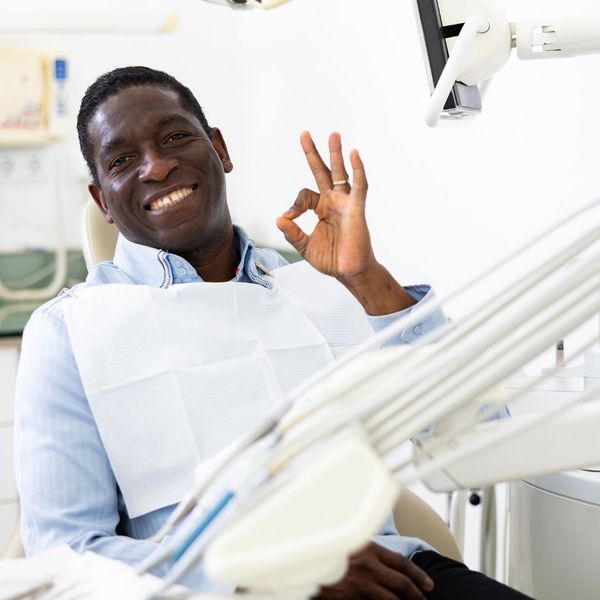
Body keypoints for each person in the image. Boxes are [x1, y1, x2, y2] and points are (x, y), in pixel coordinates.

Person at [14, 66, 531, 600]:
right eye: (122, 160)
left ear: (220, 150)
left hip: (393, 580)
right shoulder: (70, 332)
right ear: (103, 201)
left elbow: (481, 442)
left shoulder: (326, 287)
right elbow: (64, 552)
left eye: (175, 137)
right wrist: (279, 573)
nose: (158, 165)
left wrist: (368, 278)